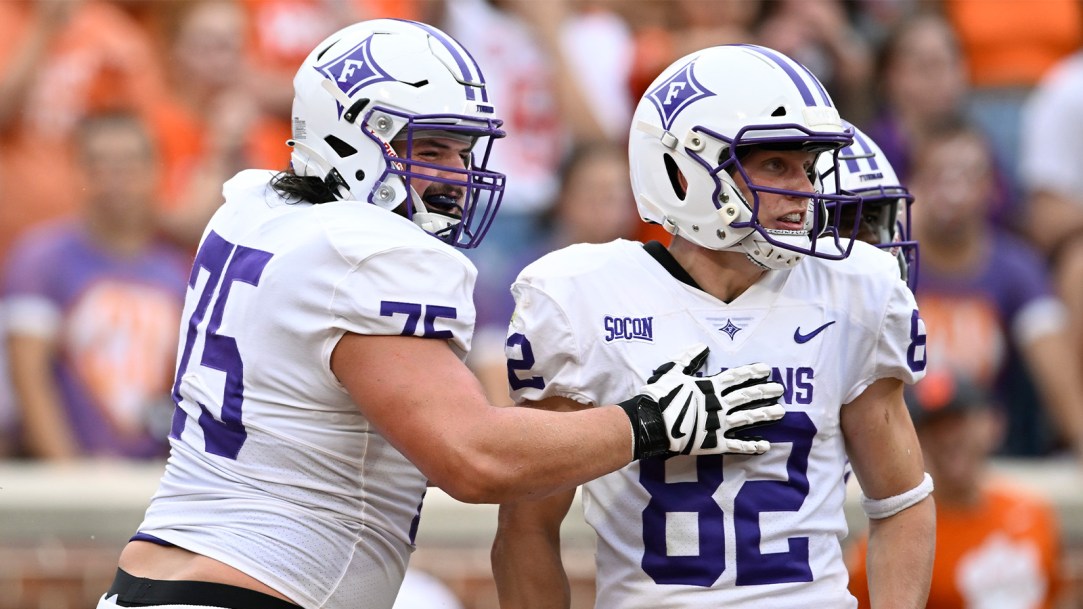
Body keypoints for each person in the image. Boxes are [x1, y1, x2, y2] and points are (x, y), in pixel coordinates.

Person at [94, 19, 787, 609]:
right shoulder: (369, 251)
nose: (454, 174)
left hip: (159, 579)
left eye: (460, 149)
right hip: (254, 589)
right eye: (428, 149)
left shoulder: (255, 207)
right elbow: (473, 458)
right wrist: (650, 421)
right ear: (347, 138)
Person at [491, 44, 935, 609]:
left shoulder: (853, 288)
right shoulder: (583, 296)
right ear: (685, 170)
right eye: (775, 165)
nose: (805, 191)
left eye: (807, 167)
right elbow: (527, 528)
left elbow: (902, 501)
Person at [2, 111, 191, 460]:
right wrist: (70, 474)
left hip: (156, 474)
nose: (115, 180)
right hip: (64, 476)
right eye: (99, 165)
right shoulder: (40, 259)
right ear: (77, 171)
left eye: (128, 165)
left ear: (157, 171)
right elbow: (28, 377)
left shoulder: (179, 271)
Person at [907, 118, 1083, 464]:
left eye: (968, 176)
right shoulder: (886, 264)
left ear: (991, 188)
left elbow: (1049, 351)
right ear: (914, 184)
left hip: (988, 450)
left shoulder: (1017, 268)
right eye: (939, 175)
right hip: (902, 442)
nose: (954, 191)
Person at [847, 368, 1070, 609]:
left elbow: (1059, 594)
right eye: (934, 427)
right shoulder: (896, 536)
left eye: (959, 423)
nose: (948, 438)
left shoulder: (1033, 512)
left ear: (991, 424)